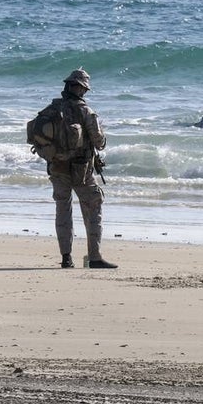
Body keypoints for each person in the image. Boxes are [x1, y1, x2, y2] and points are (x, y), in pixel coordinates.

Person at [48, 69, 115, 269]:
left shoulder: (52, 108)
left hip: (57, 167)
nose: (85, 93)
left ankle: (66, 258)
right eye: (84, 89)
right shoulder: (85, 111)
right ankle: (94, 257)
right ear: (79, 88)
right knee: (93, 205)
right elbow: (99, 142)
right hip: (81, 169)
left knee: (63, 209)